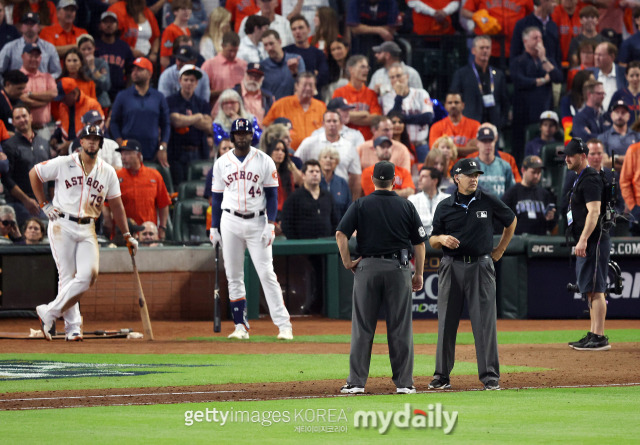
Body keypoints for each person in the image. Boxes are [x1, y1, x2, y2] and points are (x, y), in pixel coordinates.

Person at [30, 124, 138, 342]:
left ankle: (49, 312)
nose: (92, 142)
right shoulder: (64, 162)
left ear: (101, 143)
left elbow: (117, 206)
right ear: (81, 142)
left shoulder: (107, 171)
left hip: (88, 226)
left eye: (96, 139)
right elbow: (35, 173)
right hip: (62, 224)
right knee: (67, 276)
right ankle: (73, 328)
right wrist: (44, 204)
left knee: (89, 275)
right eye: (88, 138)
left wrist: (127, 235)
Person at [336, 159, 426, 394]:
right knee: (401, 328)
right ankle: (405, 384)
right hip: (399, 268)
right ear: (395, 180)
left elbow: (340, 235)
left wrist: (348, 262)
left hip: (368, 268)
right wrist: (419, 274)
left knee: (363, 327)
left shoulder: (360, 204)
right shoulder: (406, 206)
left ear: (374, 180)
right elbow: (420, 243)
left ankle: (356, 382)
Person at [428, 158, 516, 390]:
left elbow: (511, 221)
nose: (474, 178)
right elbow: (433, 239)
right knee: (446, 323)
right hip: (451, 265)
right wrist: (442, 238)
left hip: (481, 265)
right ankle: (441, 376)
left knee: (485, 324)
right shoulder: (445, 205)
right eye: (469, 175)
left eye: (476, 174)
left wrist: (499, 251)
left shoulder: (487, 200)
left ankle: (490, 377)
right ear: (457, 178)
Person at [210, 118, 294, 340]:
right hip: (230, 221)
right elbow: (216, 198)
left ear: (252, 136)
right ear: (232, 136)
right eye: (238, 133)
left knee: (266, 273)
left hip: (258, 222)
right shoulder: (221, 162)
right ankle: (240, 326)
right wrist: (213, 227)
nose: (242, 137)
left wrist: (270, 223)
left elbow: (272, 194)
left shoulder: (264, 161)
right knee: (234, 275)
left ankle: (284, 325)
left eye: (245, 133)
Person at [561, 137, 612, 351]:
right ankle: (593, 332)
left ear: (583, 157)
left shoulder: (590, 178)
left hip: (594, 240)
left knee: (596, 288)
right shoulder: (580, 177)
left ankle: (599, 336)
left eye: (571, 155)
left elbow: (594, 211)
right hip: (589, 240)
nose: (567, 159)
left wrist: (582, 240)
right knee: (590, 289)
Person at [510, 26, 563, 164]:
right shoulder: (518, 61)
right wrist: (543, 80)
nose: (539, 41)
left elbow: (557, 77)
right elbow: (519, 81)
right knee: (522, 148)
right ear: (525, 41)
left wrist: (544, 59)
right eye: (535, 38)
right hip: (524, 112)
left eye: (540, 38)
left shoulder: (547, 59)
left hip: (544, 110)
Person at [105, 139, 171, 241]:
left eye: (127, 154)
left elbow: (164, 203)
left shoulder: (154, 175)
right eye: (122, 154)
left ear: (138, 155)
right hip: (124, 234)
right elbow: (106, 205)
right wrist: (108, 222)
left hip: (147, 234)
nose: (123, 158)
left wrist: (162, 227)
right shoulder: (116, 177)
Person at [109, 57, 171, 165]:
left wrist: (162, 147)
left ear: (149, 74)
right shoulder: (123, 96)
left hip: (151, 151)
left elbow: (166, 124)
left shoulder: (158, 97)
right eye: (133, 70)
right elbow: (114, 122)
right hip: (128, 151)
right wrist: (120, 142)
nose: (135, 73)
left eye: (139, 69)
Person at [295, 109, 361, 198]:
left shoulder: (349, 147)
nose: (332, 124)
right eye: (328, 121)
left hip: (340, 193)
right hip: (312, 192)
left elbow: (355, 177)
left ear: (341, 123)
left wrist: (354, 204)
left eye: (335, 121)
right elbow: (295, 165)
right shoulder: (309, 143)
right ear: (323, 124)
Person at [2, 104, 49, 225]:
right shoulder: (9, 146)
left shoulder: (44, 143)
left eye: (24, 116)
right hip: (19, 203)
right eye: (17, 118)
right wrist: (26, 200)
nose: (22, 120)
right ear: (13, 122)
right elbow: (7, 180)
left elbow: (52, 176)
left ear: (31, 117)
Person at [449, 35, 509, 131]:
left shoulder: (498, 74)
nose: (485, 51)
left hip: (493, 123)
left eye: (487, 48)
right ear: (473, 51)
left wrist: (502, 121)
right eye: (481, 48)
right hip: (469, 122)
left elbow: (504, 100)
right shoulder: (462, 74)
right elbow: (454, 98)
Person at [167, 64, 213, 185]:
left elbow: (208, 125)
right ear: (180, 81)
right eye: (186, 79)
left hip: (198, 152)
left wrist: (185, 119)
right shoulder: (170, 100)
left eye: (192, 80)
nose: (189, 83)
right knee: (179, 186)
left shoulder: (202, 102)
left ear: (197, 83)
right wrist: (198, 117)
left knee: (197, 185)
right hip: (177, 153)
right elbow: (175, 121)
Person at [379, 63, 433, 160]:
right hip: (400, 145)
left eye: (399, 76)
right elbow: (392, 119)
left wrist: (402, 118)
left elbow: (428, 117)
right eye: (392, 77)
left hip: (420, 145)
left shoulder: (421, 93)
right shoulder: (387, 97)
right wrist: (399, 96)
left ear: (407, 76)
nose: (396, 79)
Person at [262, 72, 326, 149]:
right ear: (296, 86)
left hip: (314, 153)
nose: (308, 88)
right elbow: (266, 127)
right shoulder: (281, 104)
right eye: (305, 85)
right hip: (286, 153)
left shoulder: (321, 107)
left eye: (311, 85)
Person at [281, 159, 338, 239]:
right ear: (303, 175)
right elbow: (286, 224)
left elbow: (335, 221)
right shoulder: (294, 198)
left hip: (326, 245)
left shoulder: (328, 197)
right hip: (302, 247)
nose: (315, 174)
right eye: (311, 171)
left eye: (317, 172)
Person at [502, 155, 557, 235]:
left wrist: (550, 218)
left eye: (539, 173)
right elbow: (501, 219)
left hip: (540, 240)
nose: (536, 176)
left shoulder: (545, 194)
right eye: (533, 172)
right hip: (519, 241)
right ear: (523, 170)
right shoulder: (512, 193)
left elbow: (551, 226)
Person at [332, 55, 382, 141]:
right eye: (362, 67)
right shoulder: (339, 92)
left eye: (367, 67)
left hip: (367, 142)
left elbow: (376, 119)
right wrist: (364, 113)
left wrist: (348, 117)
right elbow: (336, 116)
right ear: (351, 69)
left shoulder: (372, 93)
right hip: (344, 141)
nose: (366, 70)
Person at [0, 12, 61, 78]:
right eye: (26, 23)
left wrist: (46, 81)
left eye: (33, 24)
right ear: (21, 27)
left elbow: (57, 71)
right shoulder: (10, 47)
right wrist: (6, 84)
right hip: (17, 86)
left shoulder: (49, 48)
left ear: (39, 27)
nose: (29, 27)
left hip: (42, 87)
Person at [19, 43, 57, 141]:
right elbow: (23, 100)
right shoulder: (17, 76)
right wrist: (45, 101)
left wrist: (30, 94)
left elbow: (53, 94)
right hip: (22, 129)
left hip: (44, 128)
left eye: (36, 56)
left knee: (46, 155)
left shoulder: (47, 77)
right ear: (23, 56)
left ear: (40, 58)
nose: (34, 59)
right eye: (31, 55)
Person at [95, 11, 134, 105]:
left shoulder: (124, 47)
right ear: (100, 25)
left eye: (112, 22)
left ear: (117, 25)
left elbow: (131, 71)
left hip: (119, 92)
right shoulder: (94, 46)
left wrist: (127, 92)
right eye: (105, 22)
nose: (109, 25)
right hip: (99, 92)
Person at [283, 15, 329, 93]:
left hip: (313, 95)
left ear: (308, 29)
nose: (297, 31)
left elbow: (324, 77)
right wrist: (312, 73)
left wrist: (297, 74)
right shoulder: (285, 51)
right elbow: (283, 76)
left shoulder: (318, 53)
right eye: (294, 29)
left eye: (301, 28)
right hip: (291, 95)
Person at [510, 0, 561, 68]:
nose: (555, 5)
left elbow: (557, 54)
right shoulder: (522, 24)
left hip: (549, 72)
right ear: (543, 1)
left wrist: (557, 72)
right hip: (528, 72)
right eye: (552, 1)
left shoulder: (553, 26)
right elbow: (515, 53)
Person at [201, 31, 247, 105]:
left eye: (235, 51)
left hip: (240, 109)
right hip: (217, 110)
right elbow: (202, 92)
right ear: (222, 46)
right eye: (230, 51)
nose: (233, 54)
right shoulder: (209, 65)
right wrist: (225, 92)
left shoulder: (243, 65)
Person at [428, 92, 480, 158]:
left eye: (456, 102)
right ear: (445, 106)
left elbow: (478, 149)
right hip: (444, 166)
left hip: (469, 165)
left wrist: (447, 148)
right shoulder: (436, 127)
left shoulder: (475, 125)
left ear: (463, 105)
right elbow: (435, 151)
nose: (453, 105)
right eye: (450, 103)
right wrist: (466, 149)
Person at [259, 29, 305, 100]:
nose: (269, 48)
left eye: (271, 43)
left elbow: (304, 86)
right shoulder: (262, 66)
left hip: (294, 105)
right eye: (266, 45)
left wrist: (295, 73)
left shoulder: (296, 59)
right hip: (274, 108)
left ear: (279, 41)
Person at [473, 126, 515, 198]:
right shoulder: (471, 166)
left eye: (490, 140)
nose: (488, 144)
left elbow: (511, 193)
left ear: (495, 141)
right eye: (484, 141)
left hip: (500, 207)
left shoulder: (505, 166)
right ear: (477, 143)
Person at [597, 100, 640, 167]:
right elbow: (605, 163)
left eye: (623, 113)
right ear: (611, 115)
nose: (620, 115)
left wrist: (616, 158)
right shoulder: (603, 137)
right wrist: (630, 163)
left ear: (628, 116)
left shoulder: (637, 136)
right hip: (612, 176)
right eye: (617, 112)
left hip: (633, 177)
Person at [408, 166, 450, 234]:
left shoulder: (448, 199)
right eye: (419, 176)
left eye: (424, 176)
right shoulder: (412, 199)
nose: (419, 179)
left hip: (442, 240)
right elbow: (411, 223)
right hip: (419, 240)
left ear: (434, 181)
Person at [77, 34, 111, 109]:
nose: (86, 52)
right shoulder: (75, 63)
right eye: (83, 49)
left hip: (100, 102)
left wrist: (92, 68)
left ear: (94, 49)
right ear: (79, 50)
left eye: (89, 49)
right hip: (81, 103)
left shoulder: (101, 63)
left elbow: (106, 85)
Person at [589, 42, 627, 111]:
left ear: (612, 57)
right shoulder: (589, 73)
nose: (596, 58)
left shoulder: (625, 74)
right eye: (595, 54)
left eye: (600, 55)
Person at [319, 146, 352, 219]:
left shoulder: (342, 182)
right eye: (325, 157)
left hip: (338, 227)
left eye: (331, 158)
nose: (328, 160)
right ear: (319, 161)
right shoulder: (314, 181)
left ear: (337, 162)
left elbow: (348, 208)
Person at [159, 0, 192, 71]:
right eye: (183, 9)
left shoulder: (187, 30)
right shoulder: (169, 30)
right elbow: (164, 60)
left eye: (189, 9)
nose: (187, 11)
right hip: (173, 71)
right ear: (175, 12)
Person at [610, 60, 640, 127]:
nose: (635, 79)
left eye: (637, 75)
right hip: (624, 134)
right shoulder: (619, 94)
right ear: (626, 76)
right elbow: (609, 114)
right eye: (631, 76)